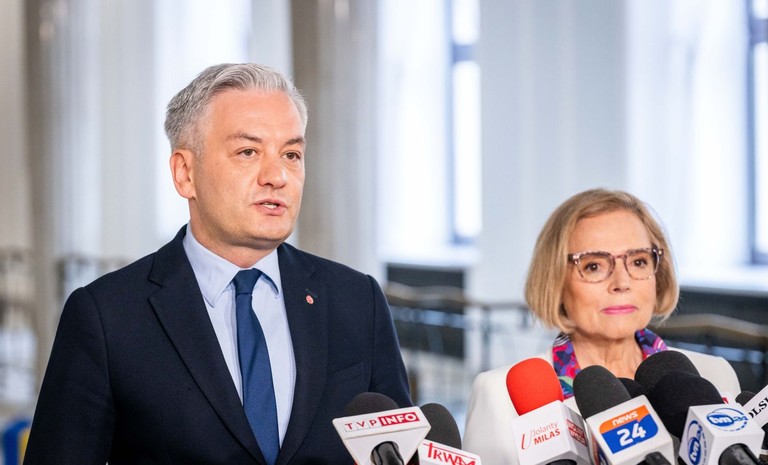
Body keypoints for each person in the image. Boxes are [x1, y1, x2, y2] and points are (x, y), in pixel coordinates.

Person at [23, 63, 412, 465]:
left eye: (291, 154)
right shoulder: (107, 317)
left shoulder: (358, 301)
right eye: (248, 152)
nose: (277, 176)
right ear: (185, 173)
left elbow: (399, 452)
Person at [463, 188, 740, 465]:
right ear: (555, 281)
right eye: (594, 265)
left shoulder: (715, 375)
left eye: (638, 261)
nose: (621, 282)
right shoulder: (497, 395)